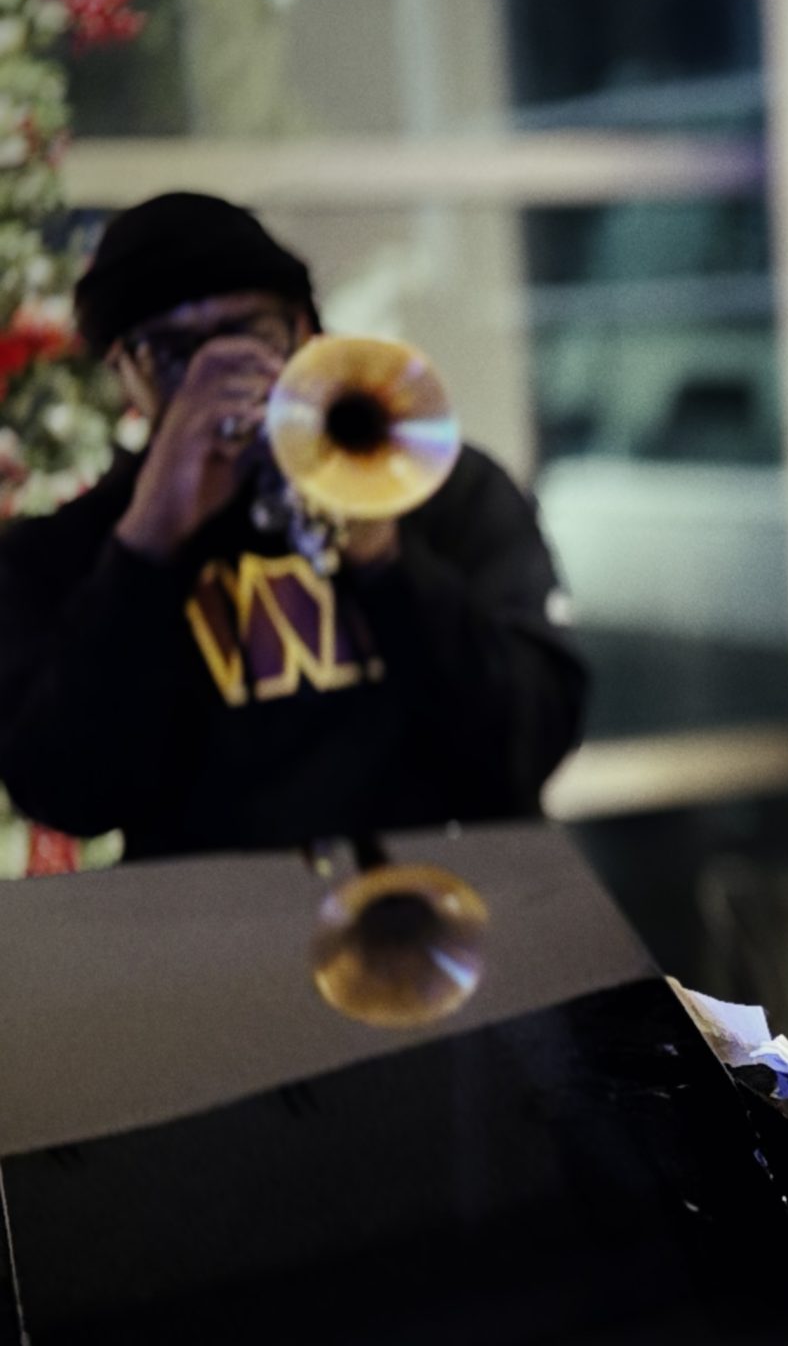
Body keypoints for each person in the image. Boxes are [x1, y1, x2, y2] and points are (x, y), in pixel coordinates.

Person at [0, 193, 584, 858]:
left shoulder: (440, 484)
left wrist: (386, 558)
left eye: (247, 335)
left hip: (459, 905)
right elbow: (66, 790)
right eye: (172, 353)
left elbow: (535, 735)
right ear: (124, 373)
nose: (217, 379)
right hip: (223, 941)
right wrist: (148, 544)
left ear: (305, 328)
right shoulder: (61, 552)